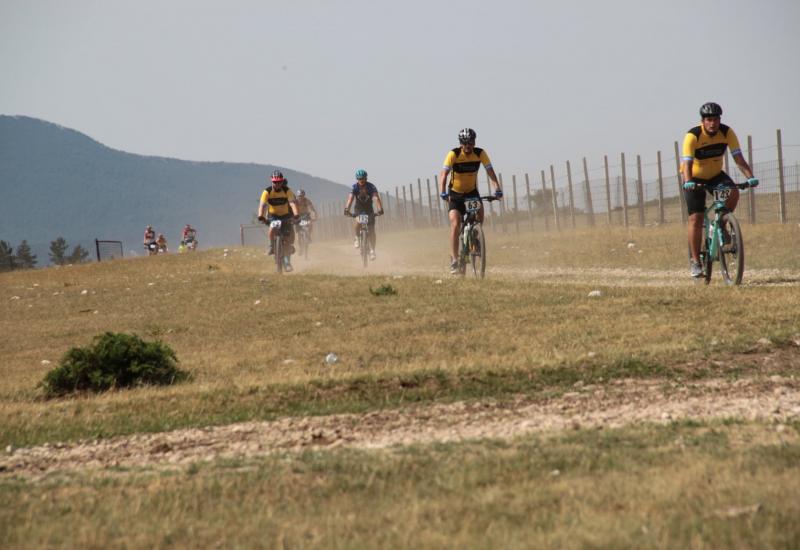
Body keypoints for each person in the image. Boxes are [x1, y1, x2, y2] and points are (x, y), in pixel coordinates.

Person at [681, 102, 759, 278]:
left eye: (716, 119)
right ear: (703, 121)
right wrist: (688, 181)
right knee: (696, 217)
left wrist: (750, 177)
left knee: (733, 191)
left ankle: (723, 221)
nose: (713, 123)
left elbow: (738, 157)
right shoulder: (693, 135)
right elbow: (687, 163)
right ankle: (695, 262)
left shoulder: (727, 132)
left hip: (716, 175)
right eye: (709, 119)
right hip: (694, 178)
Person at [439, 128, 503, 274]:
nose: (468, 145)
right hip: (455, 194)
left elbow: (490, 172)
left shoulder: (480, 153)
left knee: (480, 214)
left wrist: (497, 189)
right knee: (455, 224)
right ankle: (455, 260)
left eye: (471, 142)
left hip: (471, 193)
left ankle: (475, 236)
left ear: (474, 142)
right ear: (461, 143)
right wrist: (443, 192)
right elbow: (444, 174)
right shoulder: (454, 154)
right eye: (465, 143)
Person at [257, 170, 300, 272]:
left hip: (285, 216)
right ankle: (272, 246)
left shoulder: (287, 191)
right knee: (272, 228)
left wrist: (296, 214)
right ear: (271, 182)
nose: (277, 184)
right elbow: (262, 205)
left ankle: (287, 262)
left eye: (279, 182)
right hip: (273, 216)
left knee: (287, 240)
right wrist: (260, 216)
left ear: (282, 182)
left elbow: (292, 204)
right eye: (275, 182)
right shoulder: (266, 191)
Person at [344, 169, 384, 260]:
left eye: (363, 178)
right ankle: (357, 237)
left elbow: (376, 198)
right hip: (359, 208)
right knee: (358, 221)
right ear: (357, 179)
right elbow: (350, 199)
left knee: (372, 230)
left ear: (366, 178)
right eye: (359, 179)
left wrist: (380, 209)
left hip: (369, 209)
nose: (361, 180)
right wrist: (347, 209)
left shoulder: (371, 187)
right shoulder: (355, 187)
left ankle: (372, 251)